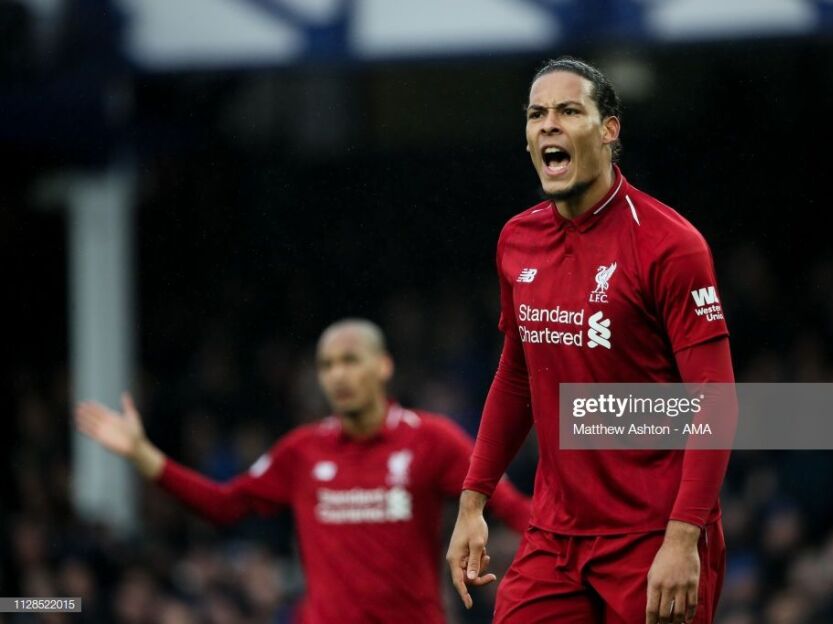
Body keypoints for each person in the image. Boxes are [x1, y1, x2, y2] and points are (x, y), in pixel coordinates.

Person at [446, 57, 737, 624]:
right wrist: (473, 501)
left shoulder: (670, 245)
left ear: (609, 130)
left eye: (568, 111)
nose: (548, 125)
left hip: (652, 534)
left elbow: (715, 400)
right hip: (555, 536)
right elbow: (516, 376)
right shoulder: (517, 239)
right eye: (537, 114)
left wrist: (683, 538)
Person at [75, 318, 530, 624]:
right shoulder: (302, 452)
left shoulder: (430, 439)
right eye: (326, 365)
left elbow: (513, 509)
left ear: (383, 366)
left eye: (350, 360)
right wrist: (142, 454)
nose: (338, 375)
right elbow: (224, 505)